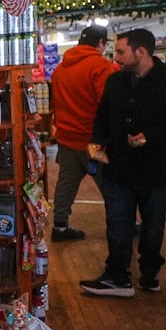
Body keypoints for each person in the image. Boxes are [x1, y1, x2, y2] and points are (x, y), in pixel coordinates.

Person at [80, 28, 166, 297]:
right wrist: (96, 140)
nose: (116, 57)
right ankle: (117, 276)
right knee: (118, 223)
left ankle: (149, 273)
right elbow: (102, 116)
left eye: (121, 51)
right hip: (118, 167)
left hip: (156, 168)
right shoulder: (115, 82)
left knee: (152, 225)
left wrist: (152, 136)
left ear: (141, 51)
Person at [50, 25, 117, 242]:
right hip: (93, 141)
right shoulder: (100, 66)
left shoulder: (60, 69)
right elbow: (107, 104)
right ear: (101, 43)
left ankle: (59, 227)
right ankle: (119, 224)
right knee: (110, 184)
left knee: (66, 184)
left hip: (66, 138)